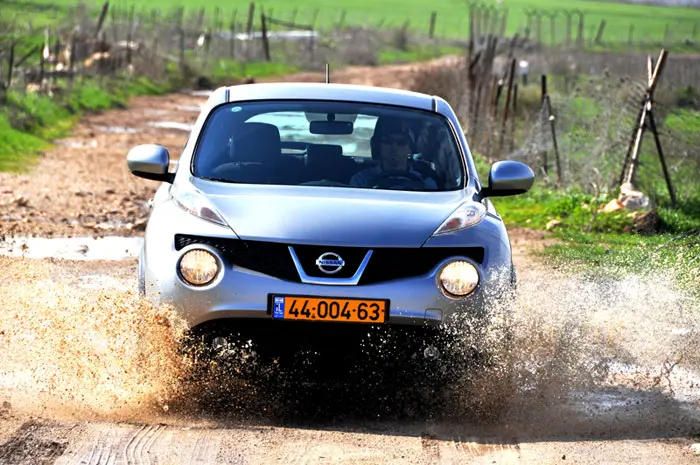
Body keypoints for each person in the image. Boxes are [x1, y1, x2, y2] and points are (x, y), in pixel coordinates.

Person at [349, 118, 438, 190]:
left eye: (401, 142)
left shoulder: (426, 183)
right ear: (378, 146)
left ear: (411, 149)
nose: (394, 147)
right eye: (387, 141)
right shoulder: (361, 181)